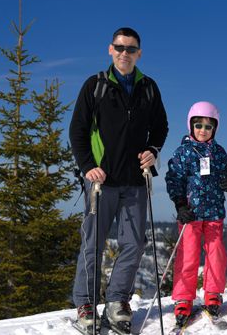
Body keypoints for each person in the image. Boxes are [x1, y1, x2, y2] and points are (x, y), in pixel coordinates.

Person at [69, 27, 168, 334]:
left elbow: (161, 126)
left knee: (134, 243)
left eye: (131, 48)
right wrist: (88, 166)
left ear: (139, 53)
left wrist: (152, 151)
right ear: (110, 50)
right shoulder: (96, 85)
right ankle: (85, 304)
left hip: (136, 181)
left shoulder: (148, 87)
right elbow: (78, 131)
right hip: (102, 180)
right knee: (93, 244)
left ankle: (117, 301)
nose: (124, 53)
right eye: (119, 47)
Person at [165, 101, 227, 324]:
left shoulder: (219, 152)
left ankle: (213, 293)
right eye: (198, 125)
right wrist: (180, 205)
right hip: (191, 214)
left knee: (216, 254)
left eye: (208, 126)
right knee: (188, 255)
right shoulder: (183, 152)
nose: (203, 130)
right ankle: (184, 297)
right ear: (190, 126)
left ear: (215, 128)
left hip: (214, 211)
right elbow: (174, 178)